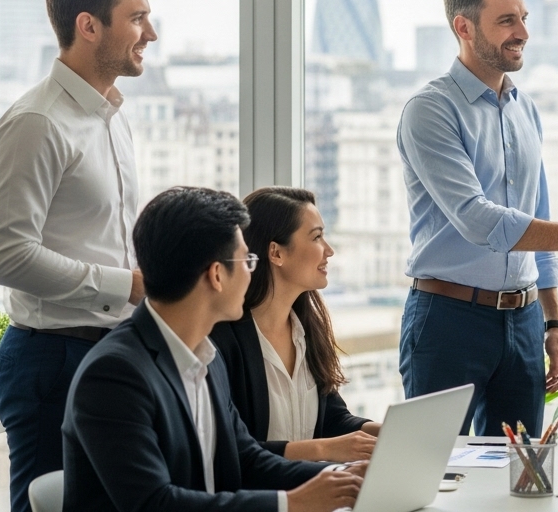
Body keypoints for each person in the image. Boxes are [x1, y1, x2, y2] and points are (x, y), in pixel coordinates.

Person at [395, 0, 558, 436]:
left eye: (524, 18)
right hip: (448, 321)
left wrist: (553, 322)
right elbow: (477, 219)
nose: (523, 33)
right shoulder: (430, 110)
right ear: (463, 28)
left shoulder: (524, 108)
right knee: (436, 468)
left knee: (521, 475)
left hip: (524, 322)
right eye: (507, 20)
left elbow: (536, 215)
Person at [63, 186, 366, 512]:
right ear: (217, 275)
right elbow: (154, 504)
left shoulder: (204, 357)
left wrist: (342, 478)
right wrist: (290, 504)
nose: (253, 274)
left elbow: (244, 458)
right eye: (248, 261)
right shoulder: (114, 374)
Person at [0, 0, 157, 512]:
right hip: (52, 359)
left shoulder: (111, 117)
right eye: (136, 19)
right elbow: (8, 257)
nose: (149, 33)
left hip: (109, 349)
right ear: (89, 26)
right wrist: (126, 286)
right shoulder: (37, 123)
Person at [210, 187, 380, 462]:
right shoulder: (221, 340)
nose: (329, 250)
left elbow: (332, 420)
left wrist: (386, 433)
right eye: (317, 237)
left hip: (315, 489)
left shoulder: (307, 328)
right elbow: (230, 450)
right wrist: (322, 451)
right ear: (276, 253)